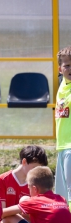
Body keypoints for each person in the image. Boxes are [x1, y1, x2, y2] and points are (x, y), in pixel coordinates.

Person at [1, 166, 71, 223]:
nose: (28, 190)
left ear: (35, 189)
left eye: (29, 188)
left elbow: (2, 213)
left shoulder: (35, 201)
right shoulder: (61, 199)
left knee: (10, 217)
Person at [55, 46, 71, 206]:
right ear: (60, 69)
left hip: (70, 147)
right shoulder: (63, 85)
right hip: (62, 146)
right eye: (67, 65)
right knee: (62, 197)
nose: (70, 69)